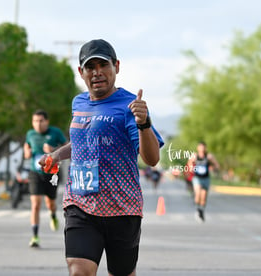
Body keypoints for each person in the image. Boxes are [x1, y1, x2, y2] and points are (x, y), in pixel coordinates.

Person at [39, 39, 164, 276]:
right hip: (80, 204)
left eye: (103, 65)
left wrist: (144, 124)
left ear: (116, 66)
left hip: (122, 208)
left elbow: (152, 159)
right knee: (79, 270)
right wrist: (56, 155)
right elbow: (81, 142)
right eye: (90, 67)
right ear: (81, 72)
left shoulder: (129, 105)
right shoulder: (79, 102)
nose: (97, 72)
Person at [23, 109, 67, 247]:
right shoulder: (30, 134)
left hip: (52, 174)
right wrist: (27, 152)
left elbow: (67, 147)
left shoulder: (55, 132)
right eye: (35, 121)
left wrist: (53, 150)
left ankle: (53, 215)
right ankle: (35, 237)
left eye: (41, 121)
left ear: (47, 121)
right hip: (35, 173)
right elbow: (26, 147)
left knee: (50, 203)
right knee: (35, 204)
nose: (38, 124)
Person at [189, 141, 220, 222]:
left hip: (206, 178)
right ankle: (197, 209)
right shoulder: (194, 156)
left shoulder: (209, 157)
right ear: (198, 148)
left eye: (203, 147)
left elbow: (216, 165)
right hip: (197, 178)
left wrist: (214, 168)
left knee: (203, 197)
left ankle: (201, 210)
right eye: (200, 147)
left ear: (205, 148)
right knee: (198, 194)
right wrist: (191, 167)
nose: (202, 149)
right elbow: (189, 164)